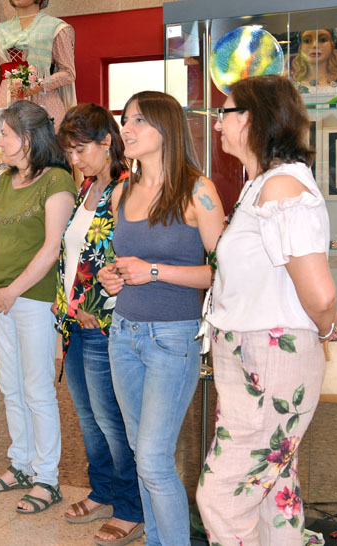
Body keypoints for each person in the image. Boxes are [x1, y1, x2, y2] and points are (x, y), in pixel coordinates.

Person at [196, 75, 337, 545]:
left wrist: (326, 329)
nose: (218, 124)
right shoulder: (260, 185)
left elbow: (319, 294)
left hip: (271, 355)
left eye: (227, 112)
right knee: (274, 490)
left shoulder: (282, 187)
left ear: (253, 118)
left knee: (222, 494)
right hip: (251, 355)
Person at [97, 91, 225, 546]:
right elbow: (119, 263)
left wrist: (154, 272)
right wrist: (112, 277)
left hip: (173, 338)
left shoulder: (198, 190)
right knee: (141, 453)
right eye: (124, 120)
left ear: (165, 129)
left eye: (137, 121)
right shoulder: (122, 192)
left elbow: (223, 272)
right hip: (124, 333)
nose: (125, 129)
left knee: (152, 460)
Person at [0, 100, 76, 513]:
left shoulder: (57, 181)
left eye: (6, 134)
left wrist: (14, 289)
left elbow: (52, 247)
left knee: (37, 390)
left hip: (32, 299)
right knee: (11, 387)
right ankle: (20, 464)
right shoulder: (3, 181)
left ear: (29, 139)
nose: (0, 142)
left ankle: (47, 478)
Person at [54, 104, 143, 545]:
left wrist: (97, 300)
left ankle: (130, 505)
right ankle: (103, 489)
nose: (75, 159)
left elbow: (129, 259)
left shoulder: (129, 188)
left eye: (81, 149)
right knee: (88, 418)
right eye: (70, 151)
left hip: (107, 323)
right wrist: (66, 304)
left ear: (107, 141)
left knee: (112, 420)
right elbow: (73, 256)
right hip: (74, 322)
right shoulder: (88, 187)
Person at [0, 0, 76, 131]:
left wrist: (40, 84)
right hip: (7, 105)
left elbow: (68, 73)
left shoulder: (56, 29)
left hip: (45, 103)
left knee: (45, 147)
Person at [292, 29, 337, 95]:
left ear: (332, 44)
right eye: (307, 41)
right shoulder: (289, 87)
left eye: (322, 40)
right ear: (300, 47)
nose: (315, 45)